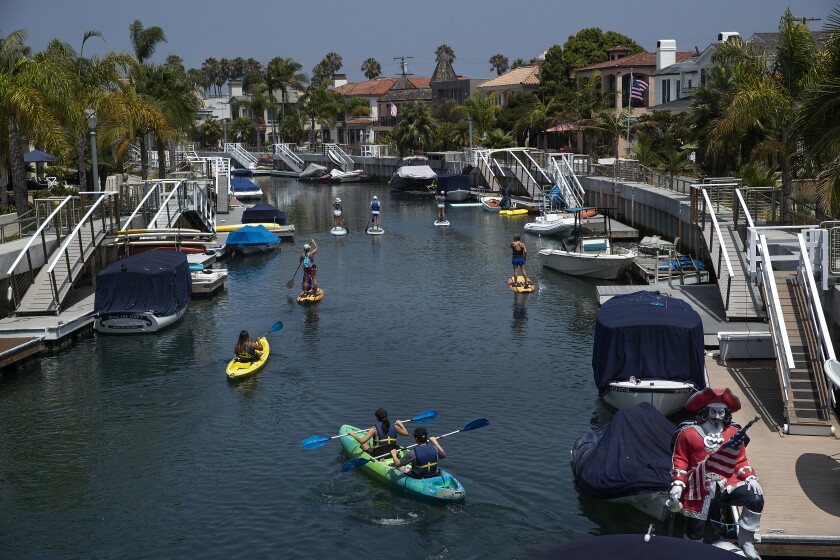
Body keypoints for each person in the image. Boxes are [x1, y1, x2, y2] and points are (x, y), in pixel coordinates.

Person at [669, 387, 764, 559]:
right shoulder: (688, 433)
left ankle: (746, 540)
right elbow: (680, 460)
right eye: (713, 412)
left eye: (721, 412)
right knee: (694, 531)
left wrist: (750, 478)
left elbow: (740, 460)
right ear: (705, 411)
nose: (717, 416)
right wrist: (677, 484)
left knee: (755, 498)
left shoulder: (734, 433)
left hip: (727, 483)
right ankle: (693, 552)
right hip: (699, 485)